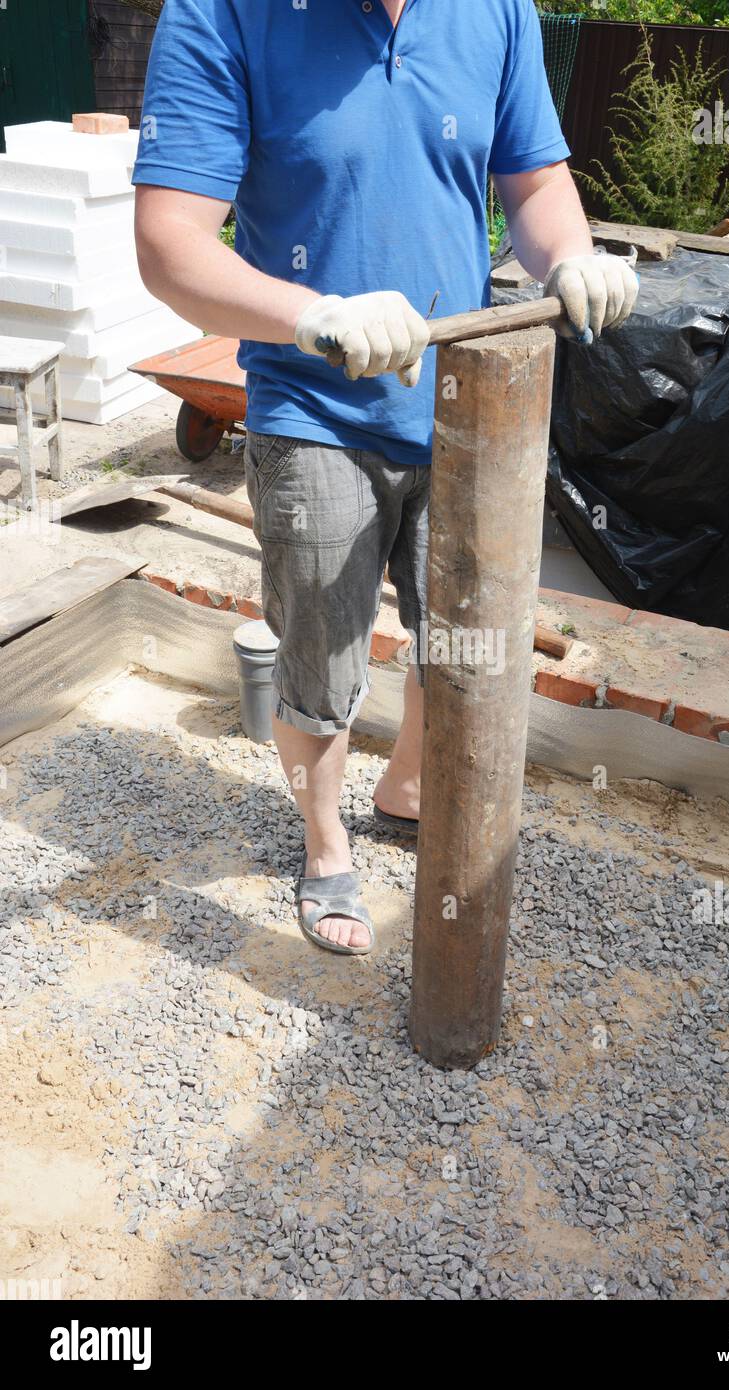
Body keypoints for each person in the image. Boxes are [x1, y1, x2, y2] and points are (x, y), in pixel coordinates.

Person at [134, 0, 638, 956]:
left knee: (463, 638)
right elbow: (169, 243)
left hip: (467, 400)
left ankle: (406, 790)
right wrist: (312, 314)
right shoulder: (223, 13)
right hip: (314, 406)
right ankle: (326, 847)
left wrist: (569, 254)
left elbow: (532, 183)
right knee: (322, 652)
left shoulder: (496, 10)